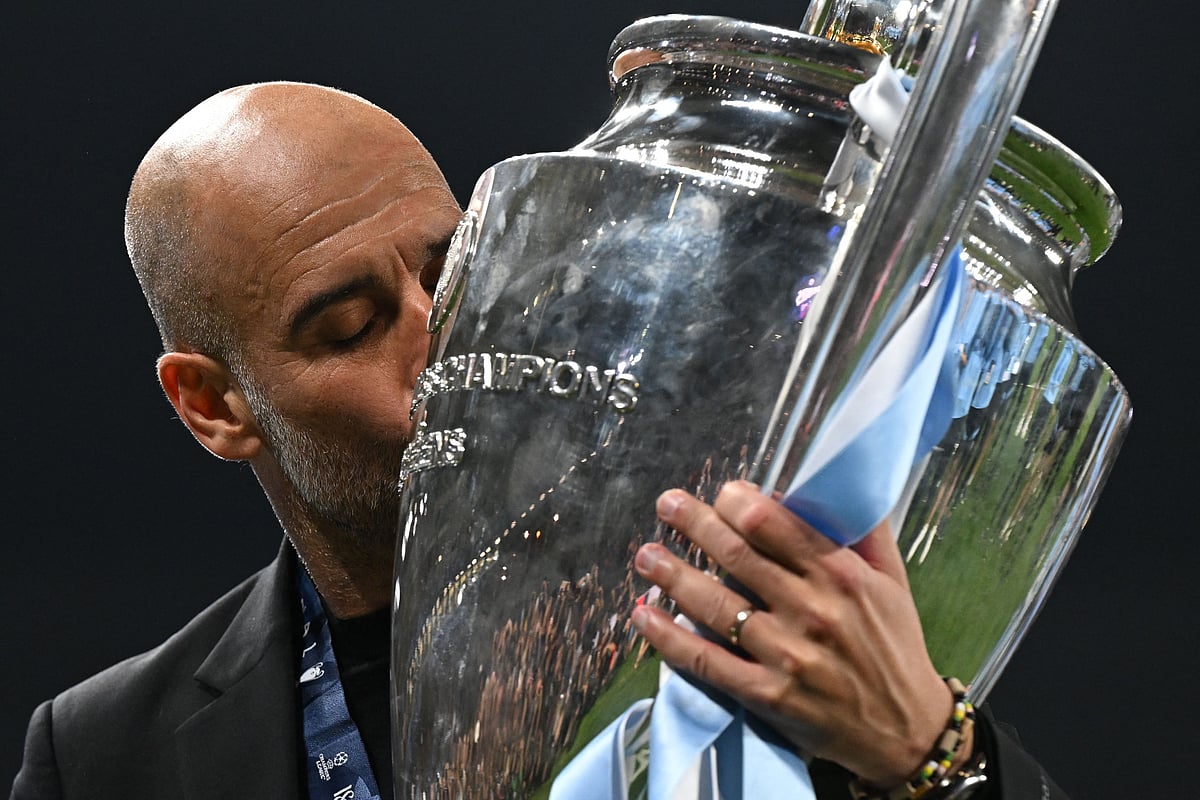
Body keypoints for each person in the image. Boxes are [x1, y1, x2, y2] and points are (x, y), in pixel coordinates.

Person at [11, 82, 1064, 800]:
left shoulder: (745, 596)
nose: (442, 335)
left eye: (454, 267)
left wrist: (930, 749)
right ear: (214, 404)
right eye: (350, 325)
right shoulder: (107, 752)